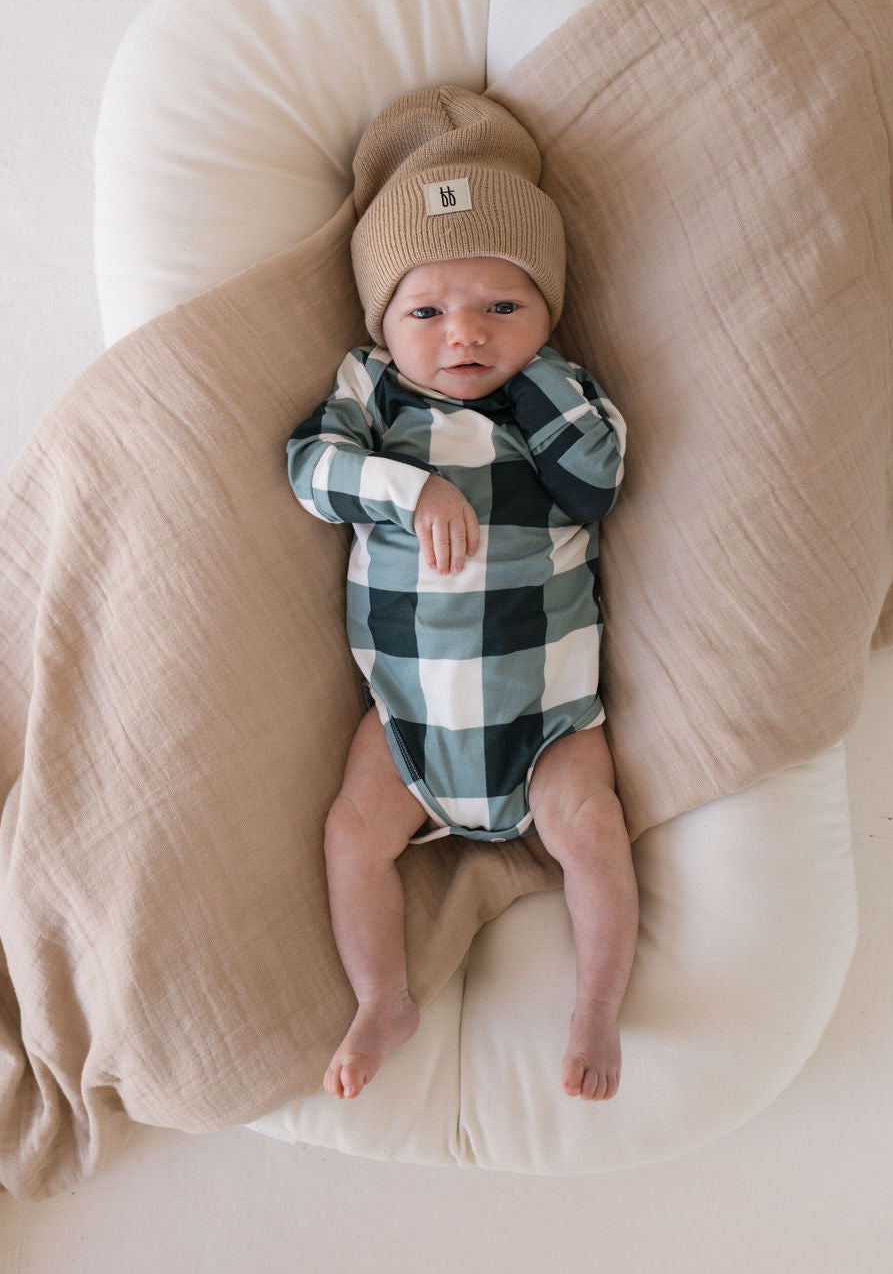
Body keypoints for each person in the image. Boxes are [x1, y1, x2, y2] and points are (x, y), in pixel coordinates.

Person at [287, 85, 638, 1104]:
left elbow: (598, 481)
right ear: (382, 319)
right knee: (354, 833)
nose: (463, 335)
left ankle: (596, 1002)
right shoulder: (373, 393)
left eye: (503, 305)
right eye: (426, 309)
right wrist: (411, 485)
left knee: (591, 828)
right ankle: (383, 992)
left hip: (546, 717)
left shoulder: (556, 393)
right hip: (409, 721)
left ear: (547, 314)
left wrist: (535, 377)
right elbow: (310, 471)